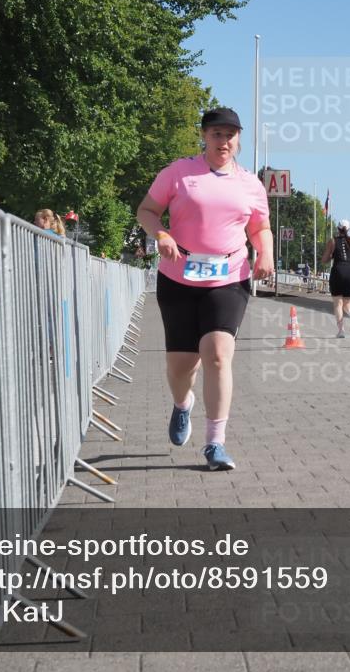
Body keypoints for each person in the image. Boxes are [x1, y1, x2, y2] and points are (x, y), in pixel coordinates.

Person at [136, 107, 273, 471]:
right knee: (181, 366)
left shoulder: (251, 185)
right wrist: (162, 234)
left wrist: (265, 253)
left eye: (230, 134)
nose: (223, 141)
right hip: (179, 277)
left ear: (239, 139)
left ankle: (215, 444)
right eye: (216, 134)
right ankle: (183, 405)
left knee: (216, 354)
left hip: (228, 276)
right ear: (204, 136)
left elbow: (260, 227)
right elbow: (146, 211)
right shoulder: (179, 173)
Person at [321, 219, 350, 338]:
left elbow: (324, 260)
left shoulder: (333, 241)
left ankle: (341, 331)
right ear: (349, 229)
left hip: (338, 271)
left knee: (338, 303)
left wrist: (331, 257)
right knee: (347, 302)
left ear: (338, 228)